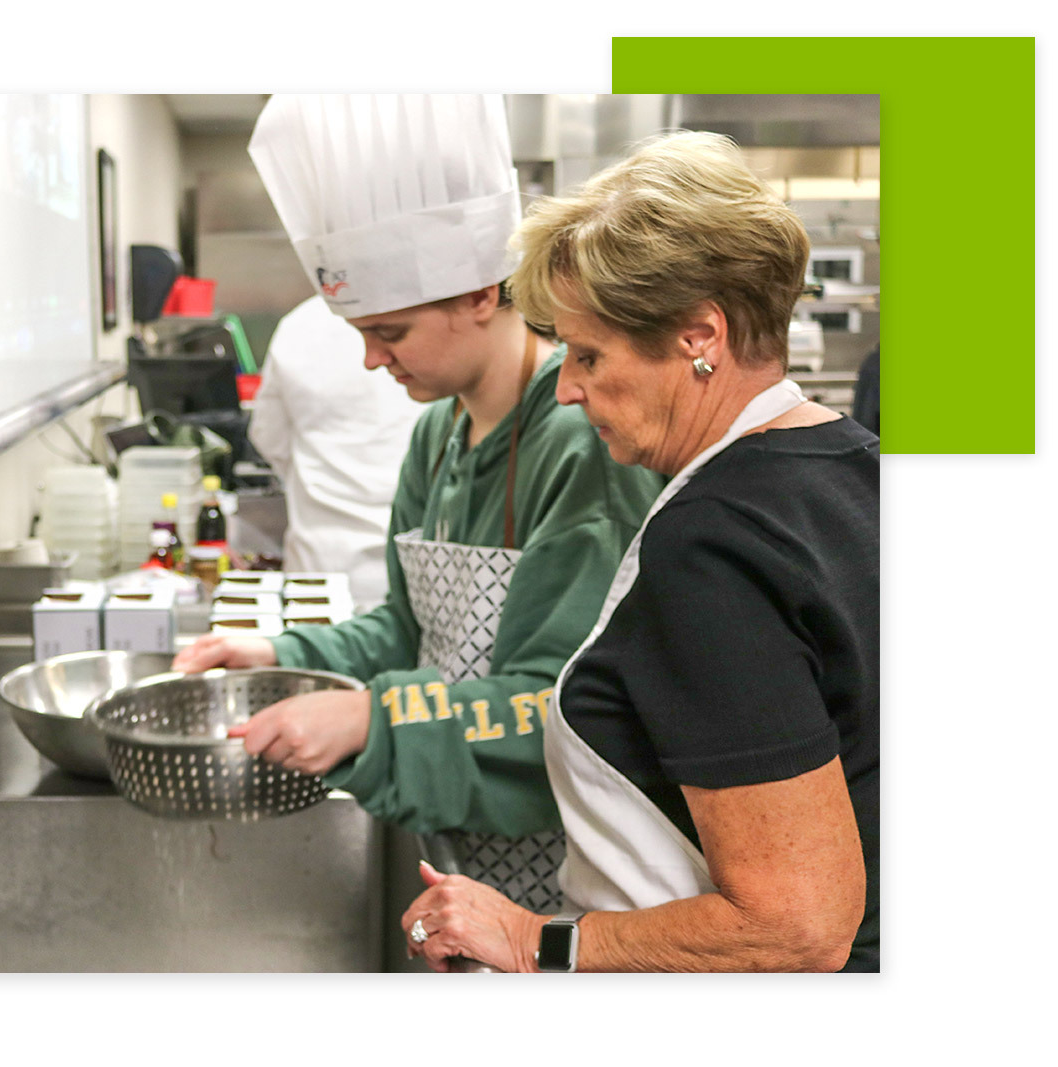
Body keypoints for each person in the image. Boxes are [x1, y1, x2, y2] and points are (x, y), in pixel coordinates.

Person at [400, 131, 879, 971]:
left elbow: (797, 926)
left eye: (589, 354)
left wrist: (529, 938)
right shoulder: (854, 461)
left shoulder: (713, 544)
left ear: (700, 338)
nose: (569, 384)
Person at [172, 95, 664, 842]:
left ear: (477, 294)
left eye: (389, 331)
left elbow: (567, 706)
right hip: (456, 831)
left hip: (559, 863)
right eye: (360, 334)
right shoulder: (439, 431)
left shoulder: (581, 443)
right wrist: (282, 654)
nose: (372, 358)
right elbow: (409, 629)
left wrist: (374, 720)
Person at [246, 294, 426, 613]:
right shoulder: (425, 316)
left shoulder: (302, 323)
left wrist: (314, 478)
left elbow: (269, 436)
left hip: (317, 569)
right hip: (411, 571)